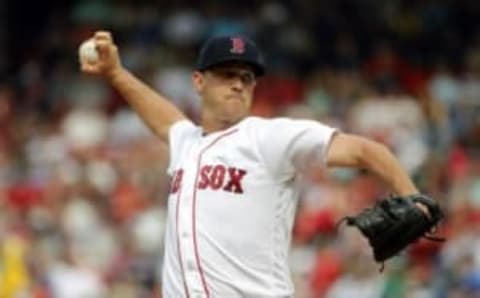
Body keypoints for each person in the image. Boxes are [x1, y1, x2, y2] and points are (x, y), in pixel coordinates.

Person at [80, 31, 428, 298]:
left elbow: (365, 151)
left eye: (247, 77)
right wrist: (116, 73)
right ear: (198, 82)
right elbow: (165, 120)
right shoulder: (186, 142)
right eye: (226, 73)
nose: (237, 83)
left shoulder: (269, 138)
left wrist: (412, 195)